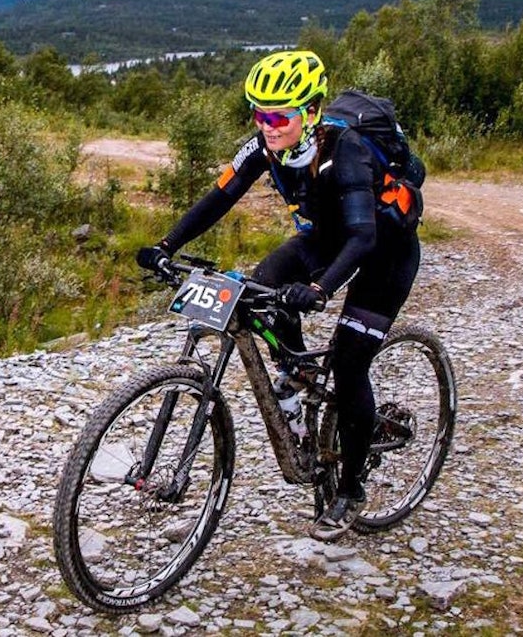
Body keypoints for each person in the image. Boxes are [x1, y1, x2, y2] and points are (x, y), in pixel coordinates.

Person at [135, 50, 421, 541]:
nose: (267, 125)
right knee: (259, 286)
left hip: (382, 253)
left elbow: (362, 238)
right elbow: (219, 197)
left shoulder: (345, 151)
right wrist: (166, 246)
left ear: (310, 112)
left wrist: (318, 289)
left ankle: (350, 489)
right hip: (323, 240)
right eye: (259, 114)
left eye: (279, 116)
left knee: (351, 362)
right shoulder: (264, 148)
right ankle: (302, 374)